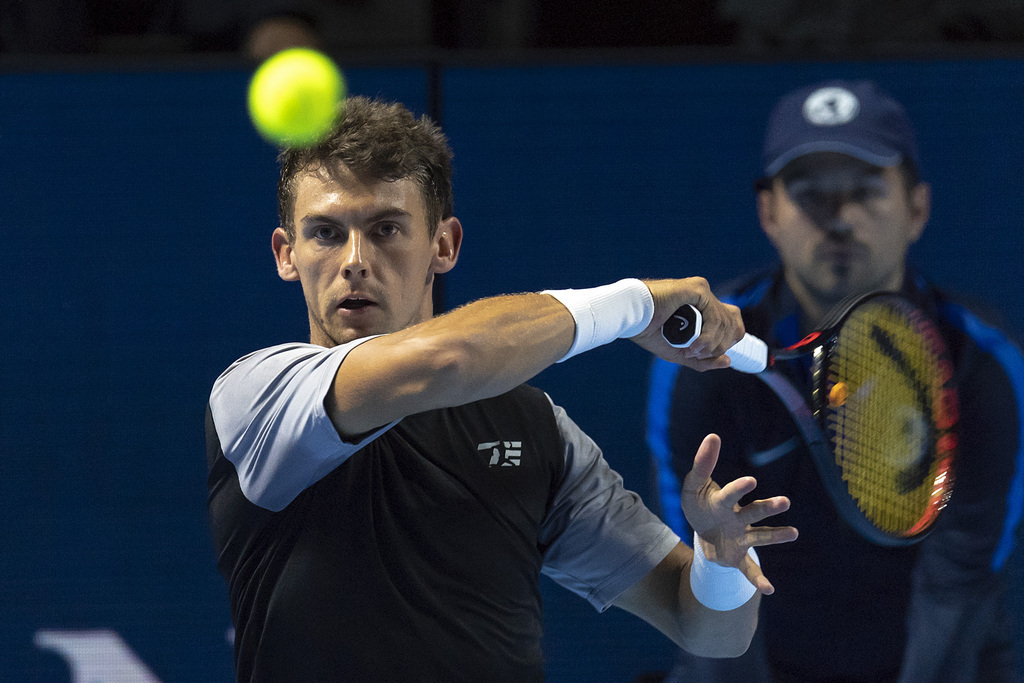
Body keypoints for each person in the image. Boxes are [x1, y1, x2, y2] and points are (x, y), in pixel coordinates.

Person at [204, 95, 799, 681]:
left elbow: (710, 631)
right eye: (326, 233)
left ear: (444, 245)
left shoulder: (533, 427)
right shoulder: (257, 395)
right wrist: (637, 305)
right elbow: (446, 359)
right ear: (287, 254)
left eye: (386, 229)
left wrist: (720, 560)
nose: (355, 260)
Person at [647, 79, 1024, 682]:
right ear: (769, 211)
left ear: (917, 208)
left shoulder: (981, 361)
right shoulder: (706, 359)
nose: (839, 219)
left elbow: (959, 582)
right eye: (810, 195)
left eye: (865, 191)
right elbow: (708, 579)